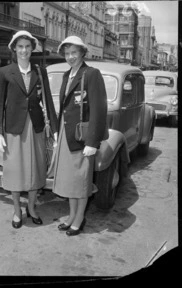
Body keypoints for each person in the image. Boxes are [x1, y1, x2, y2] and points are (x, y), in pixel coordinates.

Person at [0, 30, 58, 229]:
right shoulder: (5, 72)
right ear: (14, 49)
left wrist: (54, 129)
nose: (24, 50)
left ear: (32, 48)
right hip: (14, 128)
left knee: (35, 170)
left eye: (27, 47)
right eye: (20, 47)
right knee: (14, 171)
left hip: (35, 127)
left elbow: (47, 99)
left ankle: (31, 208)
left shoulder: (40, 71)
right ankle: (16, 211)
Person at [53, 36, 108, 236]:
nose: (70, 57)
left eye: (74, 53)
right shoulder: (67, 75)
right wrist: (58, 132)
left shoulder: (91, 74)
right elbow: (65, 108)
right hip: (68, 136)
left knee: (81, 182)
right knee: (70, 181)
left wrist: (93, 141)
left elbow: (99, 109)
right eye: (67, 54)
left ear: (83, 52)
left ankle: (79, 219)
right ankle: (71, 215)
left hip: (83, 138)